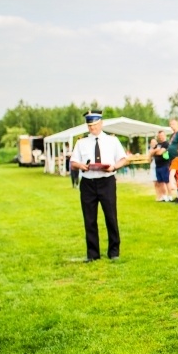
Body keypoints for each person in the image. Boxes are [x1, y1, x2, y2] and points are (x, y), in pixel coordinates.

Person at [70, 110, 128, 262]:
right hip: (88, 182)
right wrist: (80, 165)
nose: (92, 129)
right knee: (89, 219)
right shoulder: (81, 142)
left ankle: (114, 251)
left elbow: (123, 159)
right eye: (89, 126)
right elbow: (73, 162)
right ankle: (92, 254)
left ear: (101, 123)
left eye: (95, 125)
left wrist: (114, 167)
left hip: (106, 181)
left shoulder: (112, 141)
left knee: (111, 217)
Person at [150, 130, 170, 201]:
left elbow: (160, 153)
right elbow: (151, 153)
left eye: (162, 135)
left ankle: (169, 195)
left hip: (164, 165)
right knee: (160, 182)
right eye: (159, 136)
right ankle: (163, 196)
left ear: (164, 135)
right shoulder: (157, 144)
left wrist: (156, 151)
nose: (161, 137)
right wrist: (156, 151)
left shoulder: (166, 144)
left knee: (166, 181)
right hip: (157, 165)